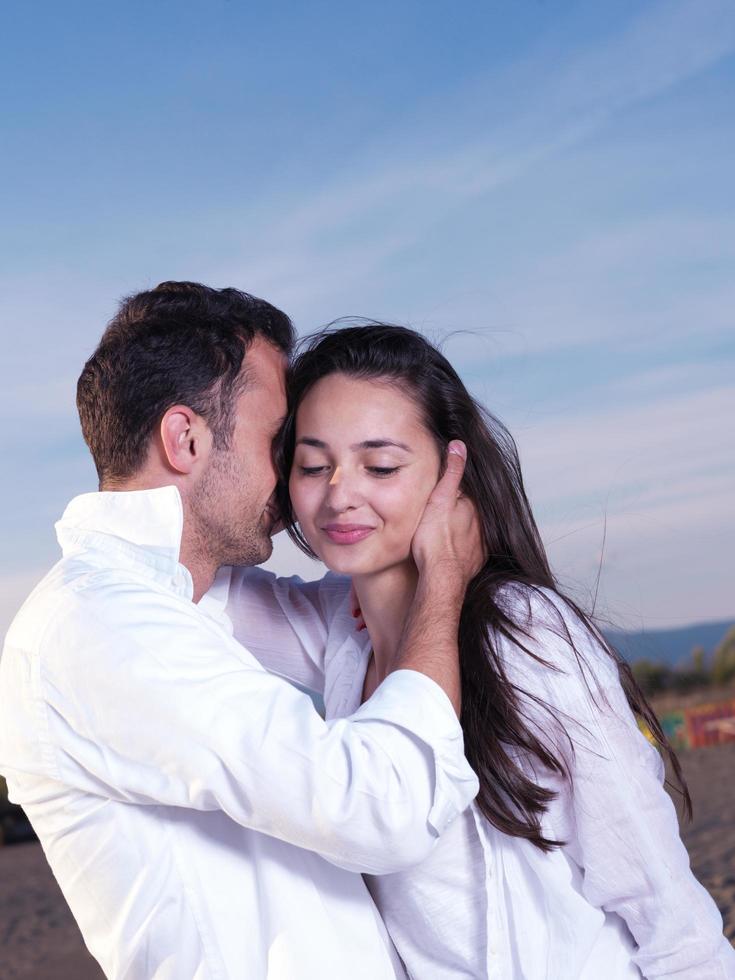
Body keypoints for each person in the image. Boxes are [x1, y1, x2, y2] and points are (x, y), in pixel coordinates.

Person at [0, 285, 483, 980]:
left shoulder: (182, 597)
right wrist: (443, 581)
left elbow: (349, 619)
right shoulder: (101, 625)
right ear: (185, 438)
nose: (292, 476)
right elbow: (385, 806)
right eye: (277, 441)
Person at [227, 322, 735, 979]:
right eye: (312, 464)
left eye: (380, 465)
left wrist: (444, 579)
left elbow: (660, 899)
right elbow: (181, 585)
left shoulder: (523, 632)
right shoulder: (336, 632)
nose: (338, 494)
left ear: (451, 472)